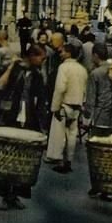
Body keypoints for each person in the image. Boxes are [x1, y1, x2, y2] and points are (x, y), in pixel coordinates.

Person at [0, 44, 47, 210]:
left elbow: (40, 99)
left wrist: (41, 125)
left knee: (23, 157)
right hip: (11, 114)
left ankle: (15, 195)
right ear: (32, 56)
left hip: (29, 117)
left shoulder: (38, 75)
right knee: (8, 154)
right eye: (41, 57)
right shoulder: (15, 69)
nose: (42, 61)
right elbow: (0, 85)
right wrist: (11, 66)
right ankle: (4, 195)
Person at [84, 43, 112, 203]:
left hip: (100, 118)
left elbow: (91, 99)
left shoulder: (95, 73)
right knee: (111, 154)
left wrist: (87, 118)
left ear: (95, 55)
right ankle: (108, 188)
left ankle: (97, 185)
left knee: (96, 154)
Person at [46, 43, 88, 173]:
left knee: (59, 135)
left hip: (64, 104)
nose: (61, 54)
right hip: (77, 105)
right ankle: (68, 160)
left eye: (63, 51)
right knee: (72, 135)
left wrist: (55, 107)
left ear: (69, 53)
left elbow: (60, 88)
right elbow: (85, 89)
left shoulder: (63, 67)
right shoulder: (82, 69)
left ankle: (59, 160)